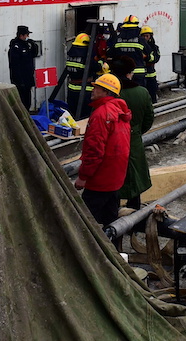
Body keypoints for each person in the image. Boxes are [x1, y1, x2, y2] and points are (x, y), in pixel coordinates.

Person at [74, 73, 131, 226]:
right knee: (111, 220)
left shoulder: (100, 114)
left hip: (100, 179)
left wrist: (83, 177)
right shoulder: (120, 112)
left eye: (97, 88)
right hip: (115, 177)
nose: (92, 90)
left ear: (106, 92)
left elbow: (94, 151)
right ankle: (112, 241)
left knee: (85, 223)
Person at [111, 57, 154, 210]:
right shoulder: (142, 92)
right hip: (134, 139)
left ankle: (113, 211)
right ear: (130, 73)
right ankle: (134, 209)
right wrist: (136, 131)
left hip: (113, 141)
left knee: (113, 175)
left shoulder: (110, 94)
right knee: (135, 174)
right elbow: (149, 118)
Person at [65, 33, 99, 118]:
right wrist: (101, 63)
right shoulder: (87, 54)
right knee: (85, 116)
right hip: (85, 90)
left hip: (71, 89)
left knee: (72, 115)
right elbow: (96, 67)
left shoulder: (71, 54)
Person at [111, 15, 150, 82]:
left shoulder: (117, 40)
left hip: (122, 74)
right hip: (138, 74)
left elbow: (110, 54)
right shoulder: (141, 40)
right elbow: (149, 54)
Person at [8, 25, 36, 110]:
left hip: (28, 78)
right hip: (20, 80)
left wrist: (33, 45)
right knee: (21, 101)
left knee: (28, 101)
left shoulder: (26, 45)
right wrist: (19, 81)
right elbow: (15, 66)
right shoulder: (15, 47)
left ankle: (27, 113)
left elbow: (34, 54)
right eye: (27, 35)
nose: (28, 36)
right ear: (21, 35)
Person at [140, 26, 161, 102]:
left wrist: (146, 57)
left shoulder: (154, 47)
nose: (145, 38)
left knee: (152, 96)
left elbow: (156, 58)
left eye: (147, 36)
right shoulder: (139, 46)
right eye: (143, 36)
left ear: (150, 36)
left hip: (151, 75)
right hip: (141, 76)